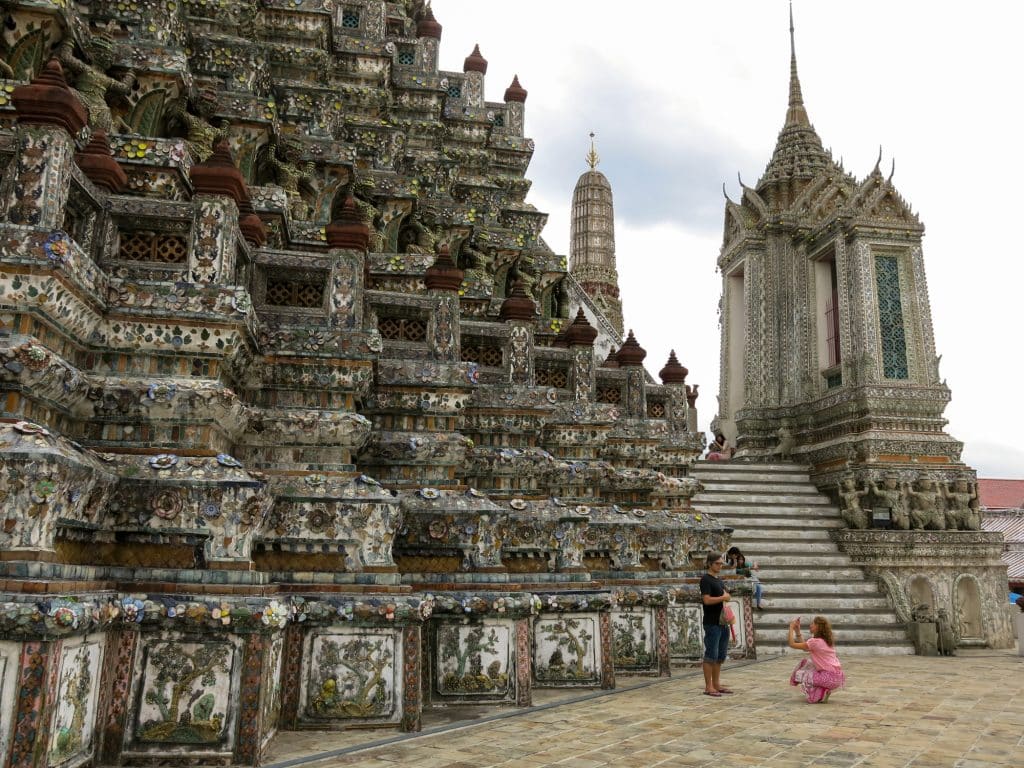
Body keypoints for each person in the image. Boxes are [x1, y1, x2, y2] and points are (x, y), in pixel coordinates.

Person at [787, 616, 845, 703]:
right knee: (808, 663)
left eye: (812, 624)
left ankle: (822, 692)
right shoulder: (826, 641)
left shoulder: (815, 642)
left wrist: (791, 627)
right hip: (837, 678)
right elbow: (806, 647)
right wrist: (797, 631)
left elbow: (792, 644)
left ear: (818, 626)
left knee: (800, 672)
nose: (810, 625)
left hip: (827, 678)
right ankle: (823, 690)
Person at [700, 552, 733, 697]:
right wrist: (723, 597)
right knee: (710, 655)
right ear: (710, 564)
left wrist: (725, 597)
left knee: (720, 656)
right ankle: (708, 686)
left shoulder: (718, 580)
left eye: (721, 563)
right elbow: (706, 600)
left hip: (722, 622)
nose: (720, 566)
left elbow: (727, 595)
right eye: (717, 563)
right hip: (712, 622)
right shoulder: (705, 580)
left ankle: (716, 684)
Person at [726, 545, 765, 610]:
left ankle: (758, 603)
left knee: (758, 586)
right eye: (739, 559)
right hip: (738, 580)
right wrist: (735, 563)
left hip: (748, 578)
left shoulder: (743, 561)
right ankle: (749, 603)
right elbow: (733, 570)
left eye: (741, 559)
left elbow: (753, 563)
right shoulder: (731, 561)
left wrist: (754, 566)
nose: (740, 561)